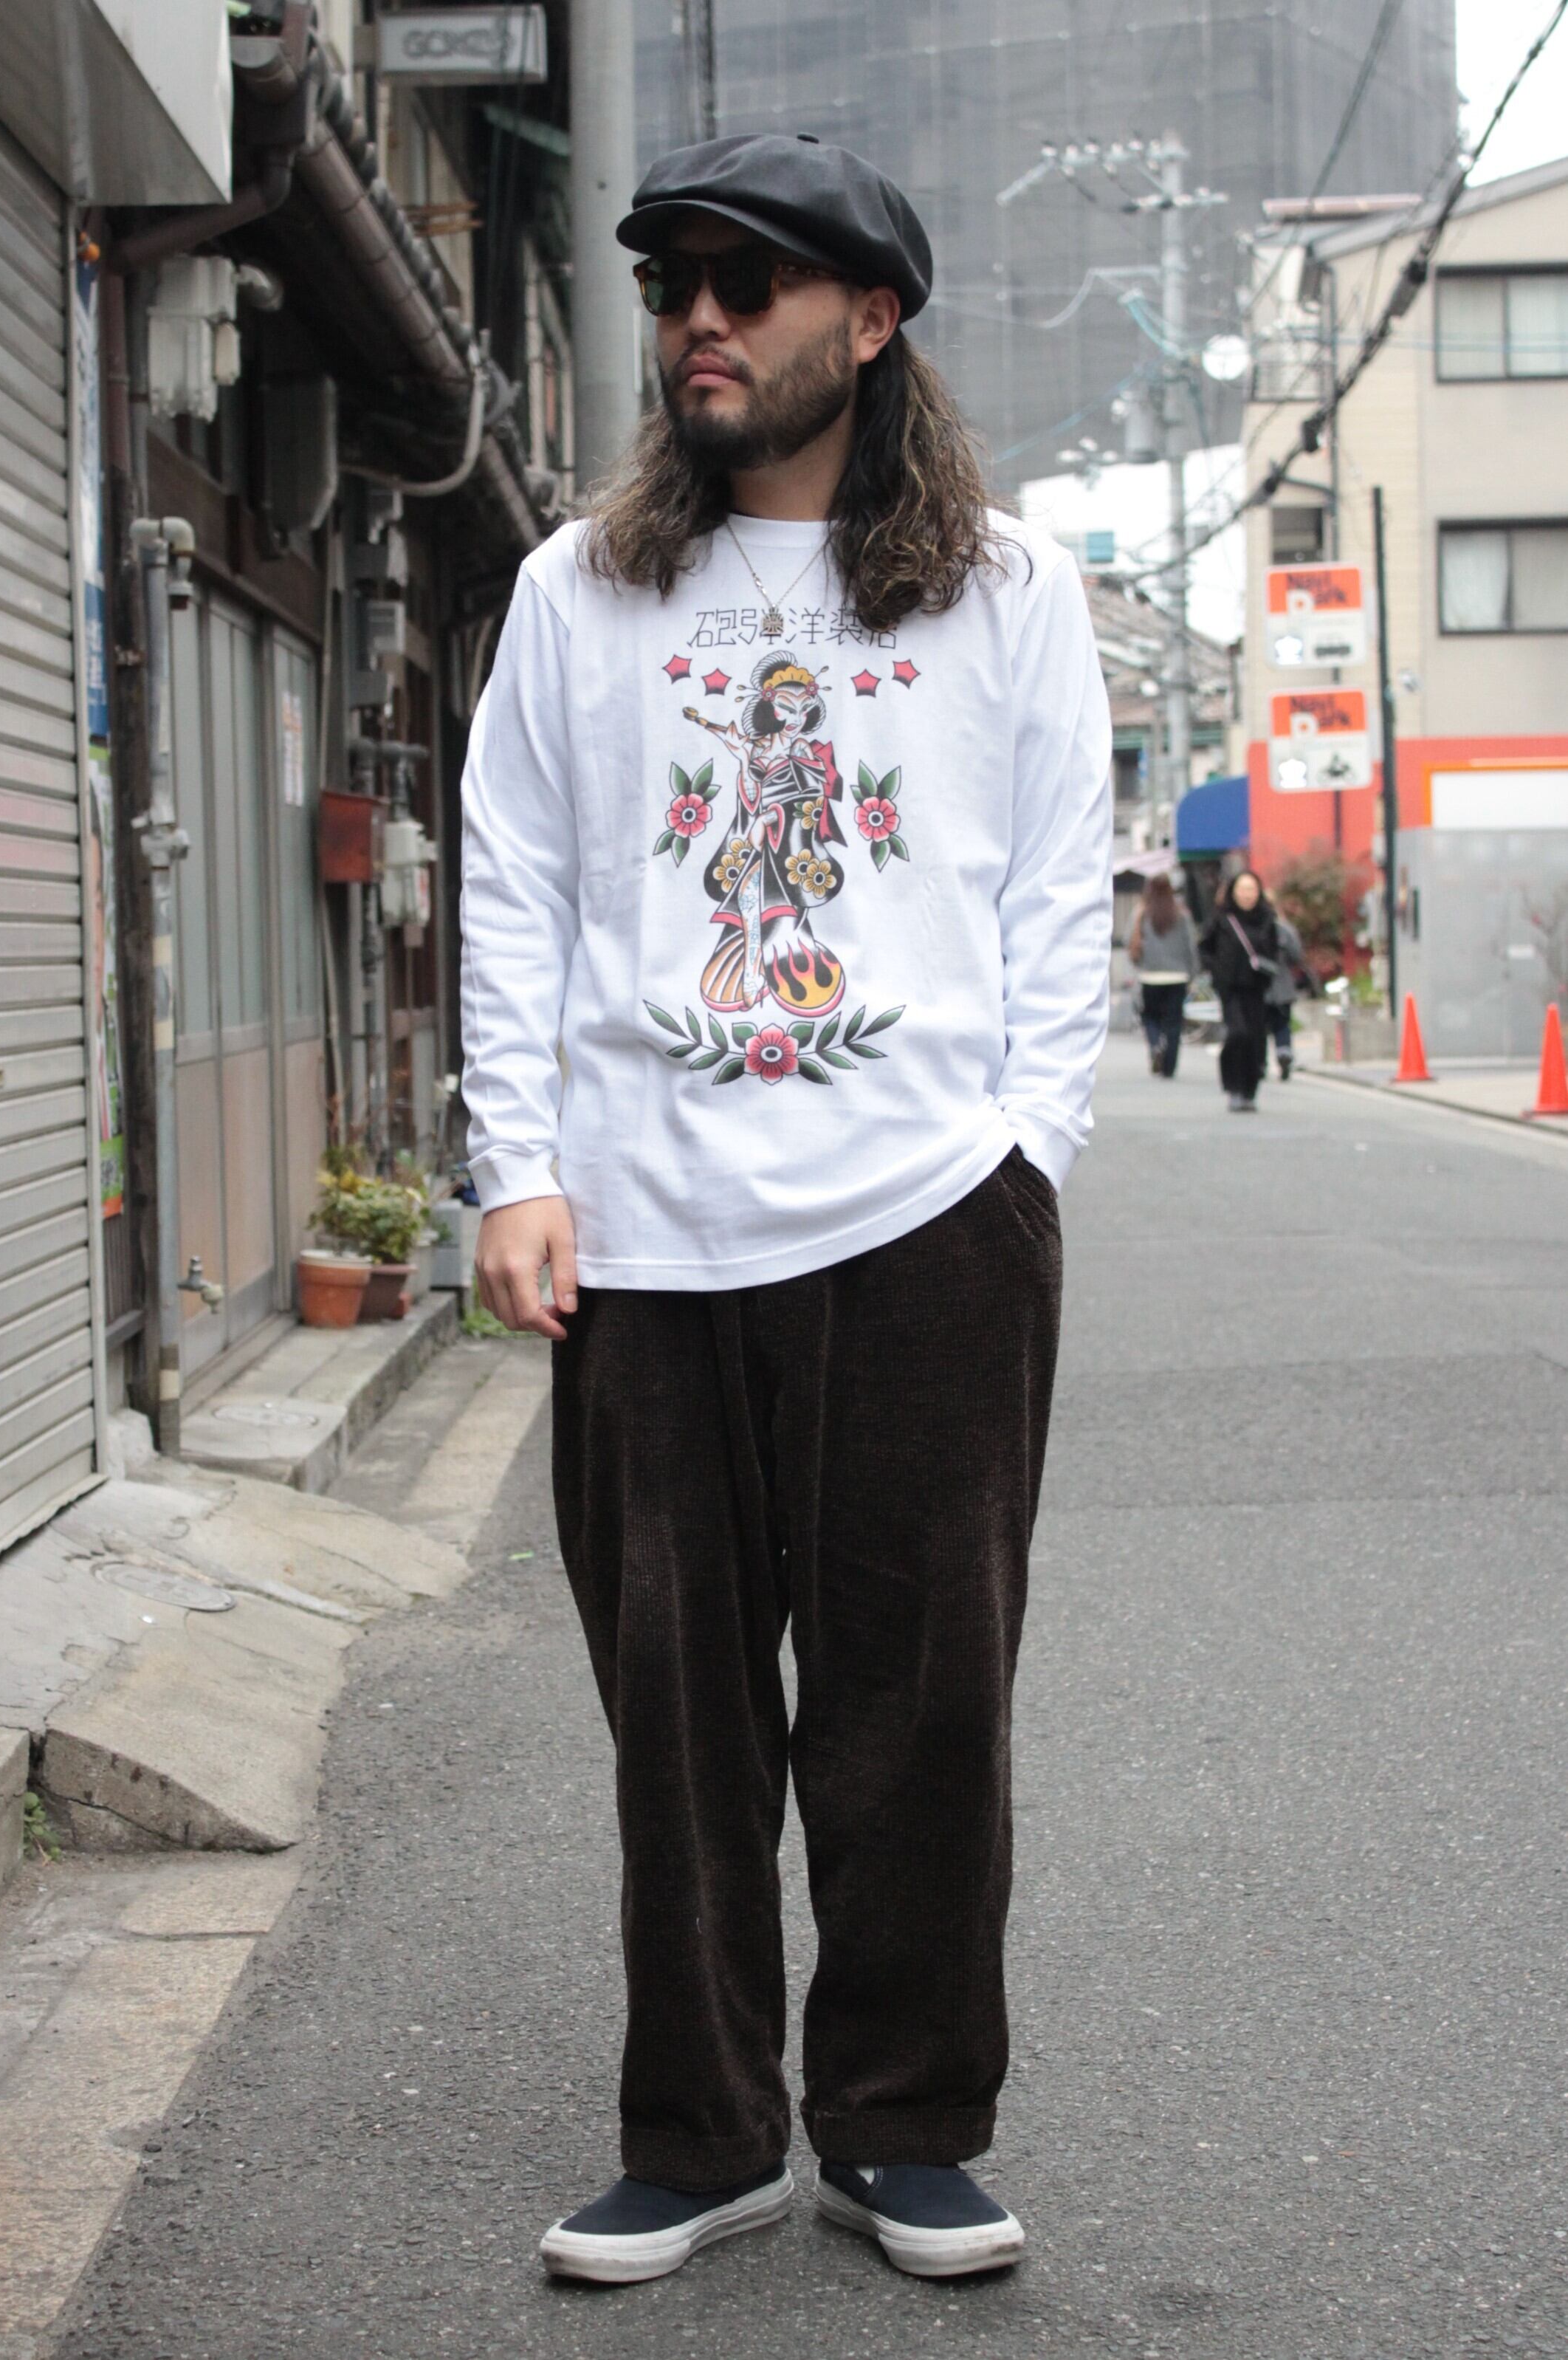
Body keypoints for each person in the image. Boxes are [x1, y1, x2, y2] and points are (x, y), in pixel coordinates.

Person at [461, 132, 1113, 2287]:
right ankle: (703, 2132)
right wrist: (517, 1166)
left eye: (747, 282)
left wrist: (1020, 1152)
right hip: (643, 1236)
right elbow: (515, 888)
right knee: (678, 1720)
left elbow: (1055, 892)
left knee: (921, 1707)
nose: (699, 321)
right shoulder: (581, 589)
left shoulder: (1002, 591)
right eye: (673, 285)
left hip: (928, 1216)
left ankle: (903, 2126)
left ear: (872, 318)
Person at [1200, 868, 1281, 1112]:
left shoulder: (1267, 919)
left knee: (1255, 1039)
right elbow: (1205, 948)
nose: (1247, 894)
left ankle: (1249, 1091)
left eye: (1252, 889)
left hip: (1257, 988)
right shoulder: (1222, 919)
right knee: (1238, 1034)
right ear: (1233, 892)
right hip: (1230, 988)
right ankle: (1233, 1088)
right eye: (1243, 889)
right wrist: (1216, 970)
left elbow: (1274, 951)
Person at [1128, 871, 1197, 1077]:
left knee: (1150, 1017)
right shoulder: (1181, 914)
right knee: (1174, 1021)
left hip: (1149, 976)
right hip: (1177, 976)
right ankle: (1169, 1067)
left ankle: (1156, 1044)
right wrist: (1193, 973)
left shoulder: (1142, 913)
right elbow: (1191, 946)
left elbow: (1128, 939)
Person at [1266, 906, 1306, 1079]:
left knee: (1260, 1027)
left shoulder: (1252, 929)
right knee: (1282, 1024)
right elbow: (1296, 956)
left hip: (1260, 987)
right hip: (1283, 985)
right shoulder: (1285, 930)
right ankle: (1284, 1051)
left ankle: (1260, 1063)